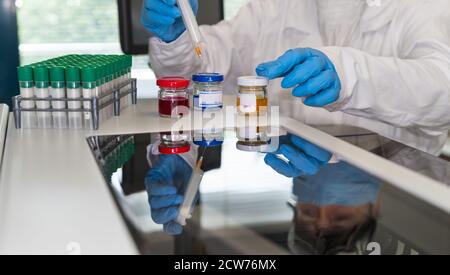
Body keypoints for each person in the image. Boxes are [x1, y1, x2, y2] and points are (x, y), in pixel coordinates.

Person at [141, 0, 450, 161]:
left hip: (399, 185)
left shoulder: (423, 7)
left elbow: (442, 90)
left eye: (312, 217)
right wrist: (177, 37)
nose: (324, 214)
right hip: (286, 168)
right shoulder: (274, 8)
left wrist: (351, 75)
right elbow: (206, 63)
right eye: (337, 220)